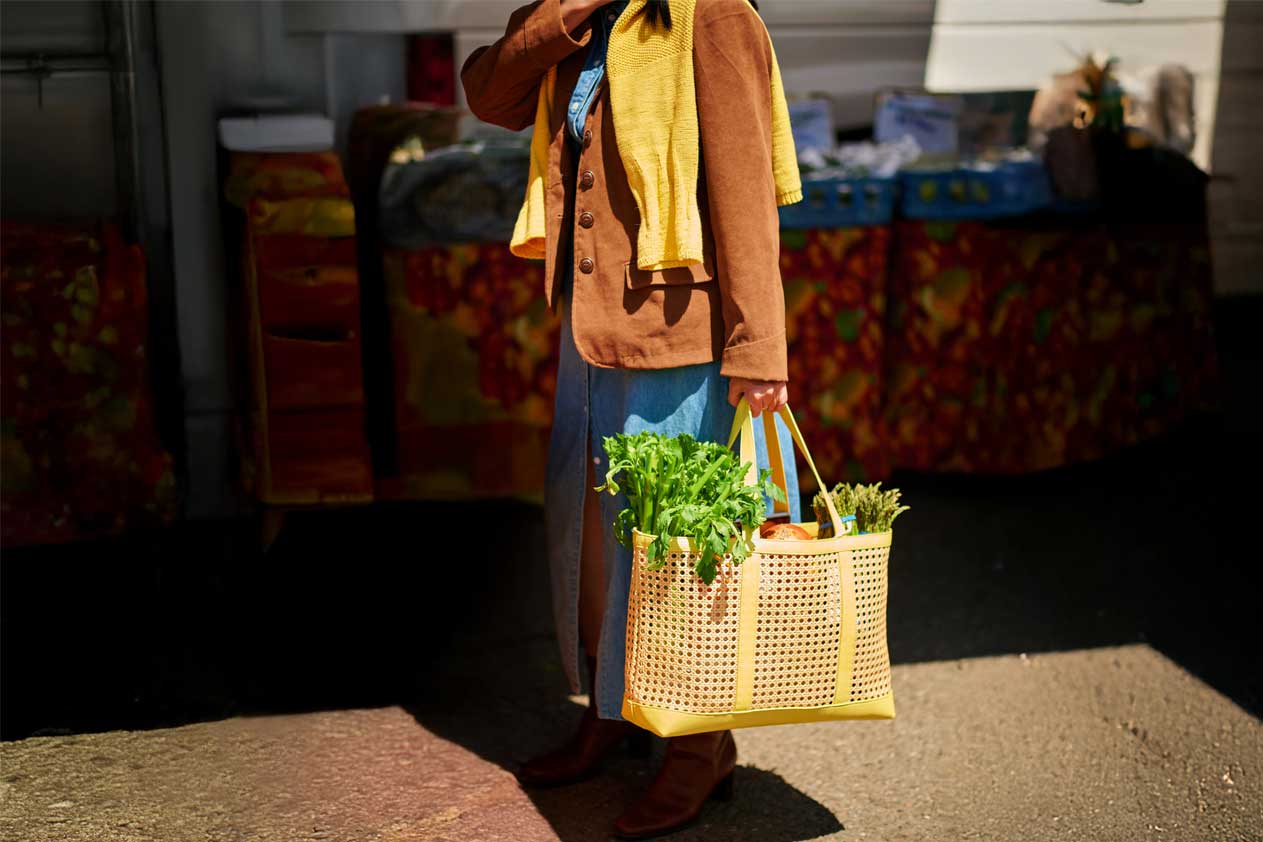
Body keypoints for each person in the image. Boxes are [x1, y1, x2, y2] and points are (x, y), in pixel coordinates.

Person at [461, 0, 800, 836]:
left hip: (677, 331)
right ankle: (611, 713)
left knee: (678, 553)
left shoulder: (712, 14)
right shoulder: (579, 18)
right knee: (596, 538)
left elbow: (743, 183)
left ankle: (697, 747)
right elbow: (489, 94)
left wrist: (758, 348)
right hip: (589, 323)